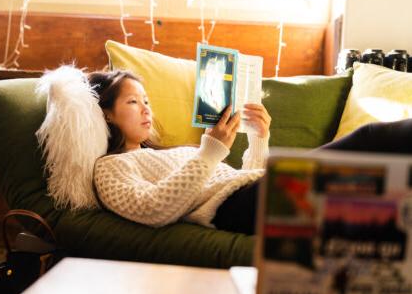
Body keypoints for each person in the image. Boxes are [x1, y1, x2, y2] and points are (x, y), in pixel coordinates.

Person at [90, 69, 412, 234]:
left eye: (147, 101)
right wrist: (210, 152)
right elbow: (154, 209)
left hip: (251, 193)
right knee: (370, 139)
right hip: (235, 207)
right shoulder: (109, 168)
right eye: (133, 102)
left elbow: (242, 179)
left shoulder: (162, 154)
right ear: (106, 113)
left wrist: (259, 138)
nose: (146, 110)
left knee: (388, 183)